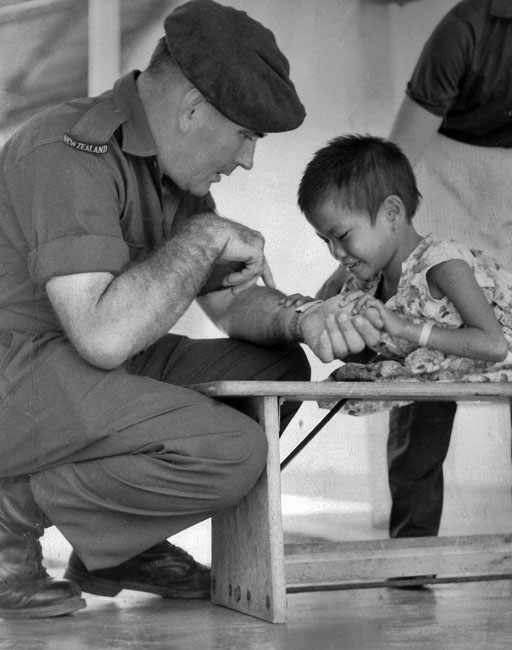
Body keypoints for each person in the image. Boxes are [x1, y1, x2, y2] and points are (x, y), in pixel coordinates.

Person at [0, 1, 383, 619]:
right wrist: (203, 239)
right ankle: (7, 516)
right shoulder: (66, 151)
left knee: (276, 369)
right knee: (233, 449)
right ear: (193, 109)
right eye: (247, 135)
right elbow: (102, 335)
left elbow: (232, 304)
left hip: (81, 373)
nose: (248, 159)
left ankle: (121, 546)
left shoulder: (177, 177)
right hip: (18, 377)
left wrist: (302, 317)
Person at [290, 134, 512, 549]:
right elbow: (320, 309)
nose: (336, 252)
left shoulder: (442, 263)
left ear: (392, 212)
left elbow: (494, 344)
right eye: (326, 242)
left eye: (342, 236)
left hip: (494, 357)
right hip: (436, 370)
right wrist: (301, 308)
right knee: (411, 456)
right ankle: (411, 562)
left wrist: (402, 327)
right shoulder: (361, 272)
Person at [386, 0, 512, 545]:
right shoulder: (465, 30)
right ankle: (413, 548)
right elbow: (399, 161)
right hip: (444, 187)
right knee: (425, 375)